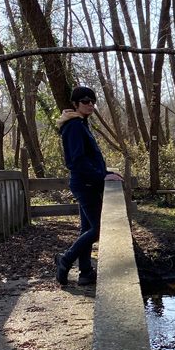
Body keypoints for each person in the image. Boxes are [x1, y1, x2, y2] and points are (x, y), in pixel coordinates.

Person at [54, 86, 122, 285]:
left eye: (92, 101)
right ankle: (65, 260)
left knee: (87, 228)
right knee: (98, 229)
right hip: (85, 183)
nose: (90, 104)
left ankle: (85, 272)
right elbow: (77, 160)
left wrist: (106, 173)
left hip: (89, 181)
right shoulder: (74, 125)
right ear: (75, 104)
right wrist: (101, 178)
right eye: (85, 101)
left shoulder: (81, 123)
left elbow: (90, 158)